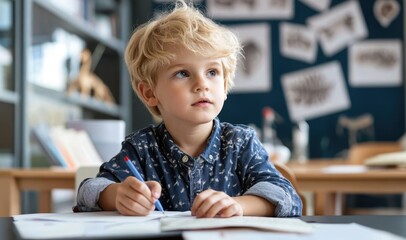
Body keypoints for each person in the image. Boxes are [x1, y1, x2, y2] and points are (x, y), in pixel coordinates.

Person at [74, 0, 302, 218]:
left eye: (212, 72)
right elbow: (89, 190)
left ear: (224, 87)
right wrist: (117, 195)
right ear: (150, 93)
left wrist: (238, 205)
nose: (202, 84)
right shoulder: (141, 148)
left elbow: (286, 196)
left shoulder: (241, 143)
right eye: (182, 73)